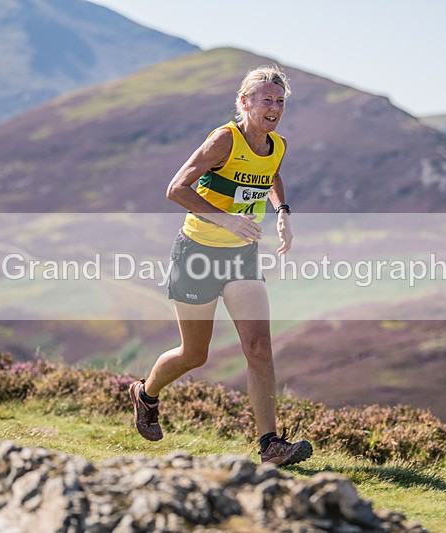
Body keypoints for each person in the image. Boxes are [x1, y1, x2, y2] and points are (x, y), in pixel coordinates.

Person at [128, 65, 312, 467]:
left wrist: (282, 211)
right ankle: (146, 393)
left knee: (259, 348)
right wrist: (224, 217)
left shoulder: (276, 144)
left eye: (280, 102)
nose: (274, 108)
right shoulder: (223, 140)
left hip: (241, 258)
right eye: (266, 100)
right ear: (244, 102)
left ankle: (270, 446)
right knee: (195, 354)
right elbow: (176, 188)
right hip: (197, 255)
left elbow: (271, 174)